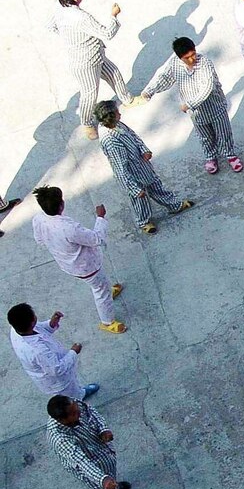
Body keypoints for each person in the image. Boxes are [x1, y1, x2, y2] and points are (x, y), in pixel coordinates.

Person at [47, 0, 144, 140]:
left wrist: (69, 37)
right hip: (85, 63)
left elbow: (51, 26)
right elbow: (107, 34)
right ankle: (86, 123)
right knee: (89, 94)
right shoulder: (81, 17)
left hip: (96, 54)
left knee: (114, 74)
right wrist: (114, 16)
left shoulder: (60, 12)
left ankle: (127, 99)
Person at [30, 186, 126, 334]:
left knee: (101, 284)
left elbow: (40, 240)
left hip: (69, 264)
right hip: (86, 267)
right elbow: (97, 239)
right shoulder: (69, 228)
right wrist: (100, 217)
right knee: (100, 291)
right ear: (61, 205)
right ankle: (107, 321)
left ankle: (108, 291)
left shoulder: (38, 219)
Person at [142, 37, 243, 174]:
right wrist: (150, 91)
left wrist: (189, 104)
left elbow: (207, 88)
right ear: (180, 58)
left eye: (193, 54)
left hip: (215, 107)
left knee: (224, 133)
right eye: (187, 58)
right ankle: (211, 157)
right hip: (196, 113)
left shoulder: (205, 63)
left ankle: (230, 155)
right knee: (205, 137)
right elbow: (165, 79)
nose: (191, 59)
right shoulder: (175, 65)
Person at [45, 395, 137, 489]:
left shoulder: (74, 404)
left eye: (76, 408)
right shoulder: (59, 438)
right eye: (74, 413)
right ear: (62, 420)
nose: (79, 412)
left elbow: (91, 412)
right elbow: (82, 462)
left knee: (112, 481)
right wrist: (102, 479)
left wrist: (103, 429)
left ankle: (115, 486)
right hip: (92, 471)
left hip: (102, 454)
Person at [95, 100, 192, 234]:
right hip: (133, 175)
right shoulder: (110, 140)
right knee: (140, 200)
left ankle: (175, 205)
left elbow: (134, 136)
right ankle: (144, 221)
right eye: (117, 112)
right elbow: (120, 168)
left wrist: (144, 150)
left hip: (142, 166)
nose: (120, 114)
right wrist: (134, 189)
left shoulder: (117, 124)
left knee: (157, 187)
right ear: (110, 117)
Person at [8, 303, 97, 400]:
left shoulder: (18, 328)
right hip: (58, 382)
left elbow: (39, 328)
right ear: (32, 322)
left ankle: (80, 393)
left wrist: (51, 324)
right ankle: (79, 400)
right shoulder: (37, 350)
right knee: (71, 398)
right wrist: (74, 352)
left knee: (74, 387)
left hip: (51, 366)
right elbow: (57, 369)